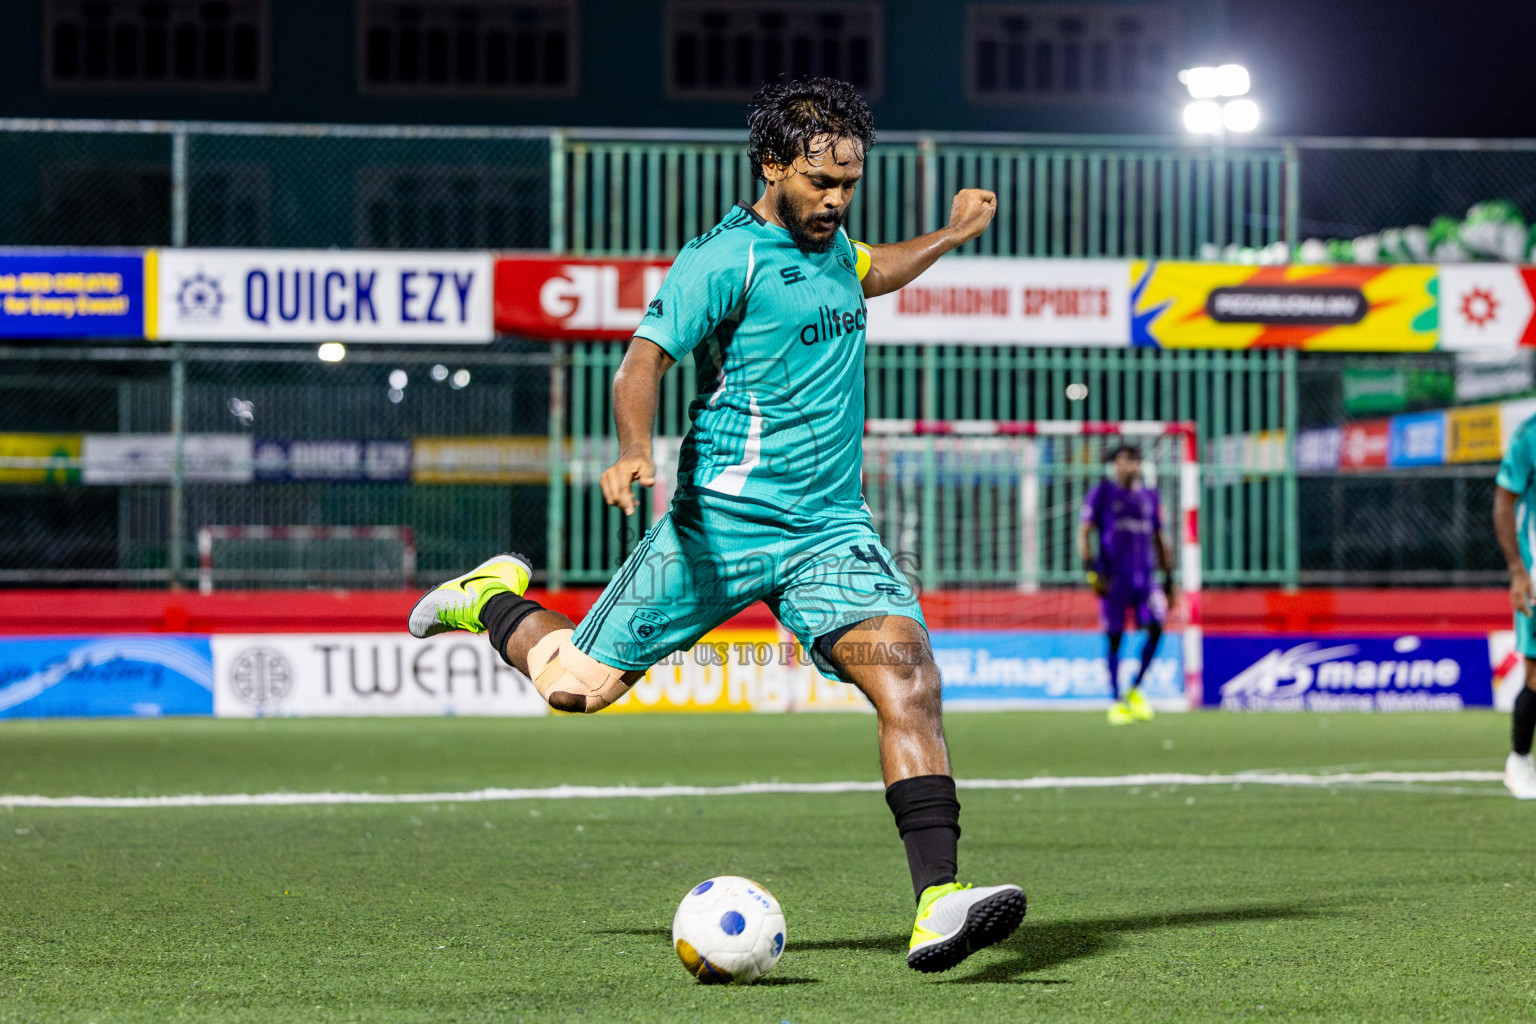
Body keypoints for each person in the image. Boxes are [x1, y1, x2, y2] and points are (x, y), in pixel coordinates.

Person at [407, 77, 1025, 973]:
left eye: (850, 183)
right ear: (773, 164)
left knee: (909, 676)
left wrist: (951, 236)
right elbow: (641, 363)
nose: (837, 200)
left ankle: (938, 901)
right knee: (576, 688)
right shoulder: (721, 259)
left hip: (828, 532)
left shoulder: (834, 243)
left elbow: (872, 271)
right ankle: (489, 602)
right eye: (821, 182)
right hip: (718, 528)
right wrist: (630, 450)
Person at [1077, 443, 1174, 726]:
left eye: (1132, 460)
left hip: (1146, 580)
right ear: (1113, 465)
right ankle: (1116, 700)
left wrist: (1169, 577)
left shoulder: (1150, 497)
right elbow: (1084, 533)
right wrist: (1091, 571)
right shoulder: (1103, 493)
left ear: (1139, 464)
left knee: (1156, 628)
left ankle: (1135, 690)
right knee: (1115, 639)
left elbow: (1160, 537)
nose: (1127, 466)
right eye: (1121, 461)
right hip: (1114, 580)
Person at [1493, 412, 1536, 798]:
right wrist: (1517, 571)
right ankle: (1519, 760)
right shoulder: (1530, 435)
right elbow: (1504, 503)